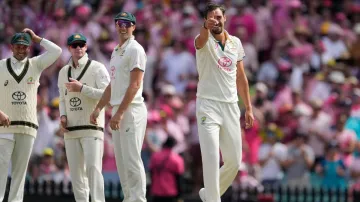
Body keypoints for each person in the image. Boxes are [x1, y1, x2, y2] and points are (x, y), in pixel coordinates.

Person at [194, 2, 254, 202]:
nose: (215, 21)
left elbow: (241, 77)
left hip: (230, 106)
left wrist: (248, 108)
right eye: (211, 17)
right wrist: (206, 28)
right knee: (211, 159)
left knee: (234, 162)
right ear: (205, 20)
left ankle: (209, 194)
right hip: (207, 106)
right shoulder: (202, 39)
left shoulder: (235, 42)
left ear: (225, 18)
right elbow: (201, 39)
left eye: (218, 17)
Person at [90, 11, 148, 202]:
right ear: (115, 26)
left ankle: (138, 199)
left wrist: (120, 113)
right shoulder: (116, 50)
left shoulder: (135, 49)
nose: (122, 26)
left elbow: (135, 85)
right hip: (118, 109)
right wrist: (99, 108)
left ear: (133, 27)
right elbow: (112, 85)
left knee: (132, 159)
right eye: (119, 23)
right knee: (122, 161)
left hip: (131, 110)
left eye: (127, 23)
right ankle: (129, 198)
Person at [0, 28, 62, 202]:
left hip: (28, 127)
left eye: (25, 47)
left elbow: (57, 51)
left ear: (29, 48)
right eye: (18, 46)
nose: (21, 49)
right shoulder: (1, 66)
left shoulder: (35, 64)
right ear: (11, 47)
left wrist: (37, 38)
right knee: (1, 170)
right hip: (4, 127)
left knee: (19, 174)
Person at [58, 33, 110, 202]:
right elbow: (62, 98)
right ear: (69, 49)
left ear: (86, 47)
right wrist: (63, 116)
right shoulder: (63, 72)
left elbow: (108, 94)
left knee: (93, 171)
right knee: (77, 176)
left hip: (91, 128)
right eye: (74, 45)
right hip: (71, 130)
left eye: (81, 45)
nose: (78, 48)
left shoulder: (97, 68)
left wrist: (82, 89)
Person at [149, 136, 184, 202]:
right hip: (171, 192)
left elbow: (151, 173)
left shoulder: (155, 156)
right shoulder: (177, 159)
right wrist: (180, 195)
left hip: (156, 191)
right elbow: (179, 178)